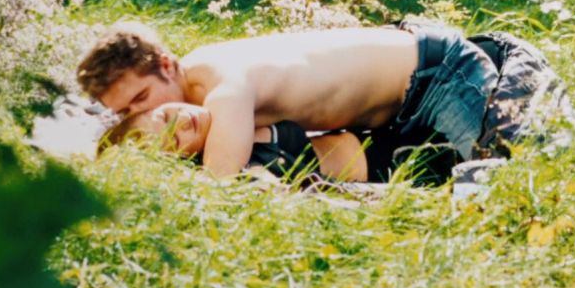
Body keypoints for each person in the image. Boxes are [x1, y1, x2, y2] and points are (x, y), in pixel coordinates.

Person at [76, 20, 561, 179]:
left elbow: (218, 185)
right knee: (459, 173)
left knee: (517, 175)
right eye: (126, 113)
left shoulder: (223, 84)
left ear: (166, 64)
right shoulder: (200, 98)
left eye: (142, 97)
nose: (143, 115)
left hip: (437, 74)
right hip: (399, 111)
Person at [99, 102, 458, 185]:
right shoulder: (229, 167)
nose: (181, 122)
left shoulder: (223, 107)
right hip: (392, 164)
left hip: (386, 124)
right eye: (174, 140)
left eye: (166, 116)